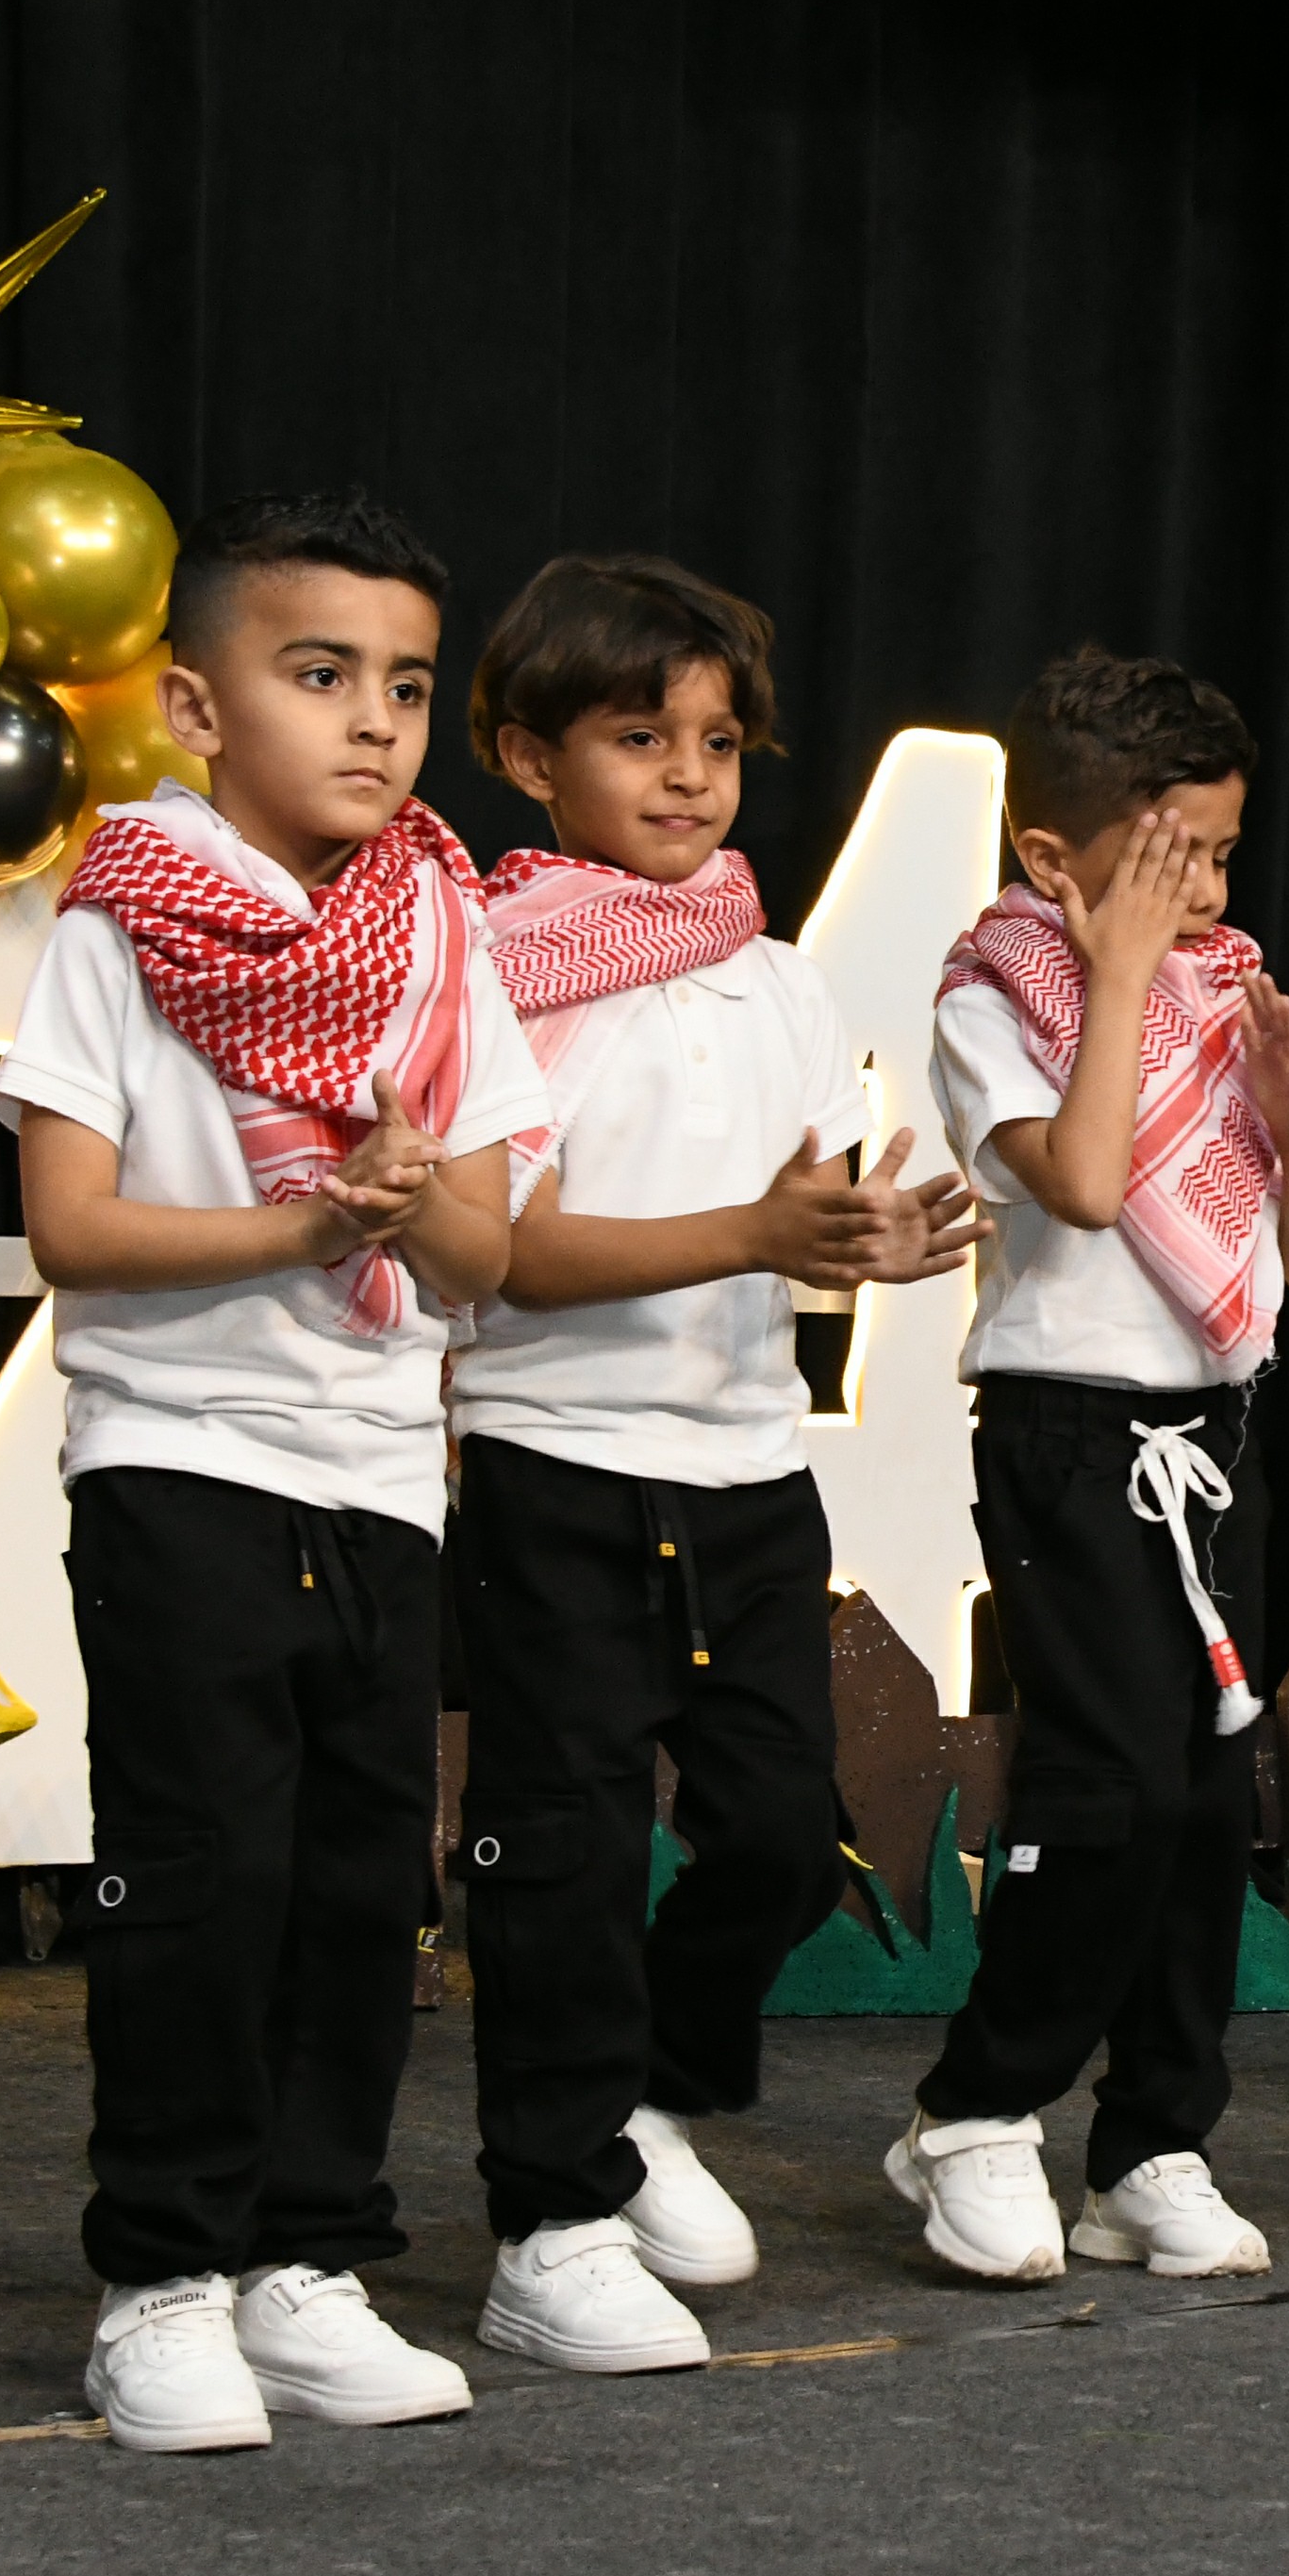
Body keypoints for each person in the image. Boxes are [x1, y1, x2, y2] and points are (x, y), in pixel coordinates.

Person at [0, 487, 547, 2451]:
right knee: (200, 1880)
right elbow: (71, 1226)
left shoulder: (444, 932)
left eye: (404, 682)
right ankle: (160, 2281)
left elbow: (484, 1255)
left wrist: (407, 1200)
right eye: (320, 674)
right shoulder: (120, 922)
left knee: (357, 1888)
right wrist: (308, 1223)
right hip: (181, 1456)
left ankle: (307, 2264)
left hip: (381, 1470)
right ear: (193, 705)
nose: (374, 721)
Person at [446, 555, 975, 2373]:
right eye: (638, 738)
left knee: (777, 1829)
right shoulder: (492, 975)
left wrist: (865, 1240)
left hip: (748, 1470)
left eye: (720, 742)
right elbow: (510, 1257)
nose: (688, 776)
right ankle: (550, 2217)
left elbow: (803, 1210)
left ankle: (647, 2098)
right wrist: (757, 1232)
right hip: (555, 1460)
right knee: (569, 1853)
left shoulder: (779, 980)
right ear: (530, 758)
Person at [897, 647, 1289, 2283]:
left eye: (1222, 857)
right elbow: (1088, 1183)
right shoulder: (994, 996)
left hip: (1214, 1435)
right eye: (1174, 859)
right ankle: (975, 2110)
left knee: (1209, 1799)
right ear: (1054, 857)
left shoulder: (1221, 1001)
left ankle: (1155, 2141)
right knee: (1109, 1785)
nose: (1209, 894)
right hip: (1069, 1431)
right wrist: (1119, 980)